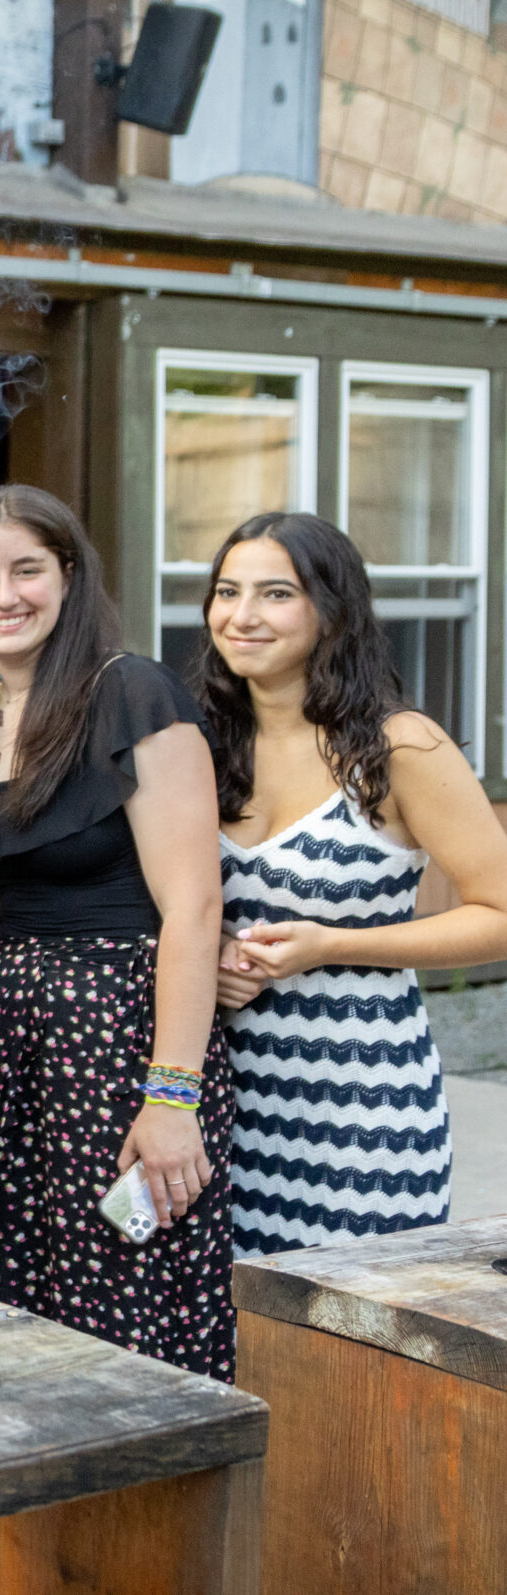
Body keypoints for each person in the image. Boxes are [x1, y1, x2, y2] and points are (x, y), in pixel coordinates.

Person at [0, 484, 233, 1381]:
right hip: (13, 1049)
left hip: (118, 1045)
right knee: (17, 1296)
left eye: (26, 570)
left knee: (122, 1278)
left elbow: (193, 908)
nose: (2, 595)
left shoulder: (131, 691)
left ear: (68, 577)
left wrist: (172, 1098)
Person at [202, 513, 507, 1256]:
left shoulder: (398, 745)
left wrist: (329, 944)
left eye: (276, 594)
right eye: (226, 591)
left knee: (348, 1355)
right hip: (218, 1105)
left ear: (331, 610)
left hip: (362, 1114)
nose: (242, 616)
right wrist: (204, 948)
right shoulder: (198, 741)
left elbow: (499, 912)